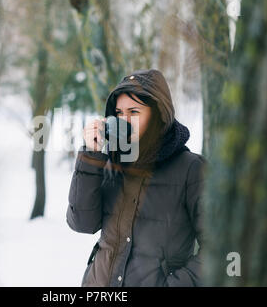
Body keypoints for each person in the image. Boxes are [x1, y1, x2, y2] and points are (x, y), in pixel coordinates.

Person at [66, 69, 207, 287]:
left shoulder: (191, 169)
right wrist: (90, 155)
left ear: (159, 114)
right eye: (120, 113)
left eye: (134, 112)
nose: (125, 121)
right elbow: (82, 223)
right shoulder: (111, 162)